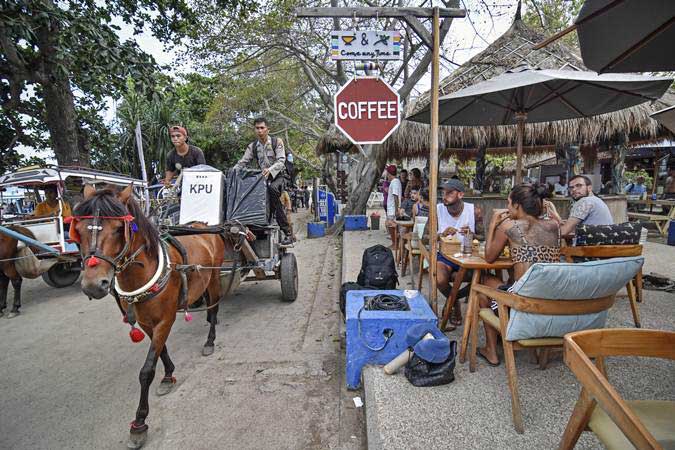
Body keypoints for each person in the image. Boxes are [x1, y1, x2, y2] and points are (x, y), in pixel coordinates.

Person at [474, 184, 561, 366]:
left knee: (483, 288)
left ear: (518, 206)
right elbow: (556, 219)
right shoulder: (554, 226)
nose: (507, 207)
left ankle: (491, 350)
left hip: (521, 304)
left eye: (508, 203)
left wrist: (492, 224)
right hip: (549, 300)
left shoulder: (509, 226)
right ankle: (499, 335)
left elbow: (489, 257)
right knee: (500, 282)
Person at [423, 179, 484, 327]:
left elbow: (483, 237)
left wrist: (472, 234)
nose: (444, 196)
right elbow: (424, 238)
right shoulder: (437, 210)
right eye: (443, 192)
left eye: (450, 192)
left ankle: (450, 300)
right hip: (445, 256)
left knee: (483, 278)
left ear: (461, 194)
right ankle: (455, 302)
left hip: (468, 256)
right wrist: (440, 235)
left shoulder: (474, 211)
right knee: (439, 279)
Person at [234, 117, 293, 244]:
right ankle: (258, 227)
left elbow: (281, 161)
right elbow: (243, 161)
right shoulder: (253, 146)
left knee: (273, 191)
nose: (260, 131)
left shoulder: (277, 142)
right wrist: (233, 171)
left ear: (267, 129)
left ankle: (287, 232)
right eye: (257, 128)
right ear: (254, 130)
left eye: (262, 128)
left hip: (279, 176)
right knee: (252, 195)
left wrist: (270, 170)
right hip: (263, 177)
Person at [548, 174, 613, 236]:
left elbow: (564, 231)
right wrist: (559, 220)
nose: (574, 189)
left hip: (590, 246)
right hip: (605, 244)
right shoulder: (597, 200)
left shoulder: (585, 201)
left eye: (579, 186)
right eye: (571, 187)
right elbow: (575, 226)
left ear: (589, 188)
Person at [385, 164, 402, 249]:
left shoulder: (394, 182)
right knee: (392, 226)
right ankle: (395, 243)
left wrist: (396, 209)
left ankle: (395, 244)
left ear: (389, 173)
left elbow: (395, 196)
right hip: (392, 208)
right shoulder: (397, 181)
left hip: (392, 209)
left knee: (391, 226)